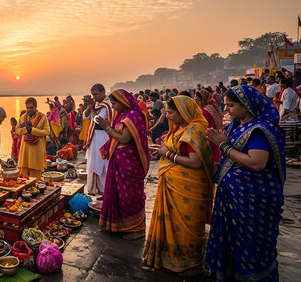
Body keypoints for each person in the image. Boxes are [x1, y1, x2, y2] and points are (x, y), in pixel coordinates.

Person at [205, 85, 286, 281]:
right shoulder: (238, 125)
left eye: (230, 106)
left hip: (253, 198)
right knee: (233, 244)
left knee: (251, 247)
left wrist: (223, 146)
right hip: (235, 195)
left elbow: (257, 163)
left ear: (246, 105)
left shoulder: (258, 130)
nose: (226, 110)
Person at [143, 96, 214, 277]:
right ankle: (169, 258)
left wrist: (168, 154)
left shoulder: (195, 130)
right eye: (166, 112)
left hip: (190, 187)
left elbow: (196, 162)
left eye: (171, 113)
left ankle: (191, 264)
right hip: (173, 183)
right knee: (172, 224)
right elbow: (172, 150)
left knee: (187, 228)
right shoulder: (178, 128)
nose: (168, 117)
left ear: (184, 112)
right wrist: (161, 151)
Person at [94, 89, 149, 240]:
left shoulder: (133, 116)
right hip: (118, 160)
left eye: (114, 103)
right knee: (118, 195)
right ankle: (118, 225)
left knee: (130, 196)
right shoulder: (123, 115)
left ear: (123, 102)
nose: (113, 107)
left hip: (129, 163)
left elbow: (124, 139)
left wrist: (106, 127)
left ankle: (137, 228)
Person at [83, 84, 113, 195]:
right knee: (93, 163)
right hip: (94, 137)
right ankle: (95, 189)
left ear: (103, 92)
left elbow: (97, 119)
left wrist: (92, 108)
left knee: (102, 164)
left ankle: (104, 190)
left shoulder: (107, 105)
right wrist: (89, 106)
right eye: (93, 95)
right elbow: (85, 116)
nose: (94, 97)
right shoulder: (97, 104)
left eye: (96, 94)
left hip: (103, 137)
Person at [16, 97, 50, 180]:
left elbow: (47, 132)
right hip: (25, 153)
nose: (28, 110)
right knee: (23, 179)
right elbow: (17, 130)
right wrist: (26, 130)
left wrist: (32, 130)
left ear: (36, 107)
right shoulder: (23, 117)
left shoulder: (42, 117)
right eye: (27, 107)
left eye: (31, 108)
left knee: (35, 180)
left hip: (36, 152)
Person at [194, 89, 223, 166]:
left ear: (203, 100)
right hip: (216, 137)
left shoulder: (204, 111)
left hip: (210, 139)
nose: (195, 103)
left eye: (198, 100)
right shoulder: (212, 106)